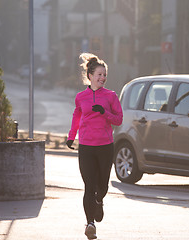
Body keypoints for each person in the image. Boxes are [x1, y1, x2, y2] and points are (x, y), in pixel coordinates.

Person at [66, 53, 123, 239]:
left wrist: (104, 112)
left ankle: (99, 201)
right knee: (89, 186)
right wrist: (71, 137)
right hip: (87, 147)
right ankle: (90, 223)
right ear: (90, 75)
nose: (102, 78)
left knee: (103, 186)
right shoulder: (81, 97)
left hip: (105, 146)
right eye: (99, 75)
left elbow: (119, 120)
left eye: (104, 75)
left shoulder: (111, 96)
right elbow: (76, 117)